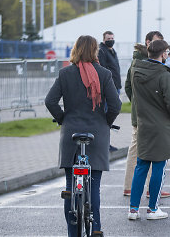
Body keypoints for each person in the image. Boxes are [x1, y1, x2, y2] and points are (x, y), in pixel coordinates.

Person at [45, 35, 122, 237]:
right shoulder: (104, 74)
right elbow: (116, 105)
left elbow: (50, 101)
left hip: (71, 133)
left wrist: (63, 118)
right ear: (95, 51)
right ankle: (95, 228)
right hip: (96, 135)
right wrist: (105, 122)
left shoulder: (65, 73)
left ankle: (73, 233)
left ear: (75, 50)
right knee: (94, 185)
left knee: (71, 186)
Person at [128, 39, 170, 220]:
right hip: (162, 127)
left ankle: (133, 209)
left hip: (144, 124)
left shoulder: (136, 70)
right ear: (163, 54)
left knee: (141, 166)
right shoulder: (164, 75)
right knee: (159, 166)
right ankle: (152, 209)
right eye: (166, 52)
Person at [123, 31, 170, 199]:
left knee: (139, 149)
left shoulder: (141, 60)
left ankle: (140, 188)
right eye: (158, 43)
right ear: (148, 42)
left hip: (144, 113)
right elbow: (128, 86)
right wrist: (138, 102)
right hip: (146, 115)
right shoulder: (140, 61)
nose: (161, 48)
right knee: (143, 150)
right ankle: (146, 188)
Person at [98, 31, 122, 152]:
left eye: (112, 38)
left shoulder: (112, 51)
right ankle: (104, 144)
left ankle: (106, 143)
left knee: (110, 116)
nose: (111, 40)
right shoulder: (101, 51)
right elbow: (103, 69)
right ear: (103, 39)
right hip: (108, 88)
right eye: (108, 38)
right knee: (106, 116)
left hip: (115, 86)